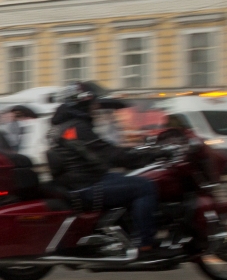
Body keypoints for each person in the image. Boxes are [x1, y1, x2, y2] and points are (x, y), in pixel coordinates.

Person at [47, 81, 159, 257]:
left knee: (128, 178)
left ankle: (126, 229)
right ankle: (145, 245)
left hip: (82, 181)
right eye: (92, 104)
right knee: (144, 186)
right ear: (81, 103)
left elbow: (97, 154)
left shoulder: (59, 127)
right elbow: (107, 154)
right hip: (88, 186)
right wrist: (147, 155)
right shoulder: (77, 127)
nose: (95, 108)